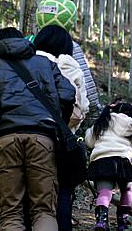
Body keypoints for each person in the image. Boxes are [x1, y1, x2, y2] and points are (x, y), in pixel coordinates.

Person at [0, 27, 76, 230]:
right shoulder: (46, 64)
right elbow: (67, 94)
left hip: (4, 140)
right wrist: (56, 125)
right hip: (43, 139)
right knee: (43, 211)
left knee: (11, 214)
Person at [34, 24, 90, 230]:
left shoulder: (27, 63)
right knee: (63, 195)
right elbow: (80, 110)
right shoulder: (71, 67)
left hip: (32, 136)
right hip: (63, 142)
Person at [85, 103, 132, 231]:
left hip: (102, 160)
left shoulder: (102, 122)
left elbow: (89, 141)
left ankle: (101, 220)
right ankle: (123, 221)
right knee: (127, 189)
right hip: (122, 161)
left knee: (105, 192)